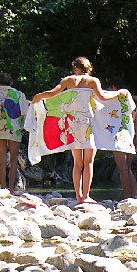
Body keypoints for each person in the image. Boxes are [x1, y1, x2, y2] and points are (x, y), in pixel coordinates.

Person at [32, 56, 123, 204]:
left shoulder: (68, 80)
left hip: (73, 124)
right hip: (88, 124)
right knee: (88, 162)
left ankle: (78, 196)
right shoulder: (93, 81)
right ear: (89, 69)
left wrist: (39, 96)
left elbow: (53, 93)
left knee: (77, 163)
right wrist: (118, 93)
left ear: (76, 68)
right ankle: (86, 196)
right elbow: (104, 97)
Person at [0, 72, 27, 191]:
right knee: (13, 159)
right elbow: (23, 113)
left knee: (2, 159)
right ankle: (11, 188)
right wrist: (21, 127)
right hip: (14, 129)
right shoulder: (20, 94)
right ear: (11, 82)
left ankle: (2, 187)